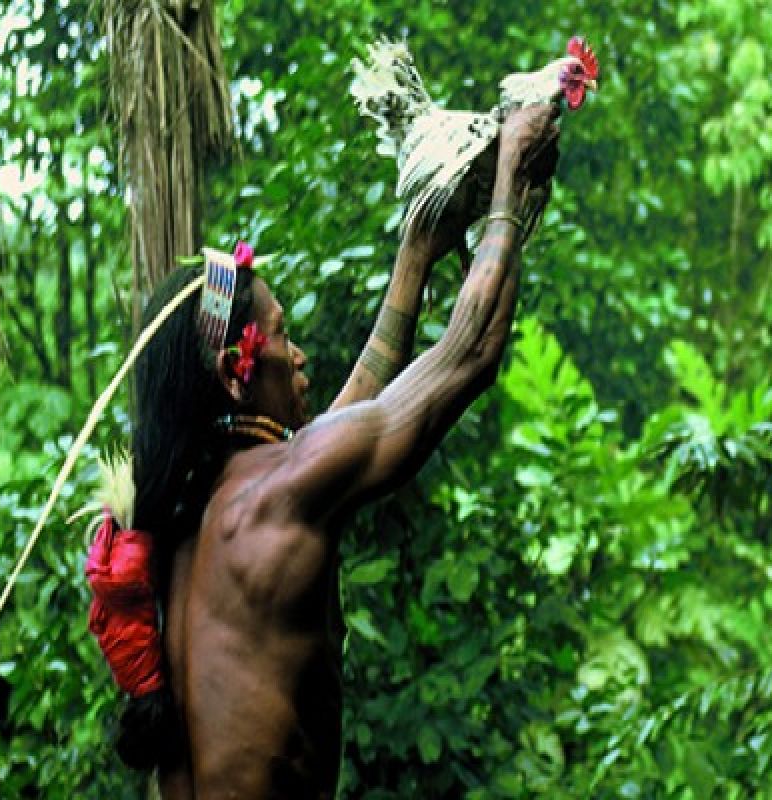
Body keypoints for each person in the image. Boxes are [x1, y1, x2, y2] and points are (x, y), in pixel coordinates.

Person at [89, 102, 560, 799]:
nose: (299, 355)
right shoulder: (286, 489)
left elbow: (358, 410)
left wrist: (416, 249)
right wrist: (512, 185)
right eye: (281, 336)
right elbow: (471, 353)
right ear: (234, 374)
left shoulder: (192, 519)